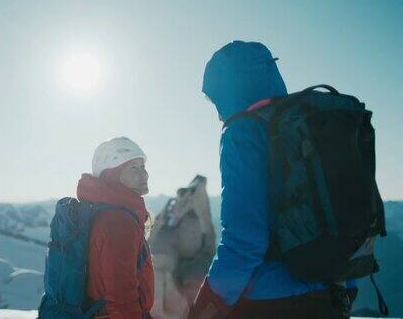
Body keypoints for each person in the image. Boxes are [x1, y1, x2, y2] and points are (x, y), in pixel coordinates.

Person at [188, 41, 360, 318]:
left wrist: (207, 303)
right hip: (334, 291)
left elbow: (245, 240)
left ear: (226, 90)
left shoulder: (243, 132)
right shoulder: (311, 123)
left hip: (270, 299)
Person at [78, 137, 155, 319]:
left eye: (143, 167)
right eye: (133, 168)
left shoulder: (111, 212)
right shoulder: (118, 222)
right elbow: (121, 293)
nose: (144, 175)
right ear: (111, 175)